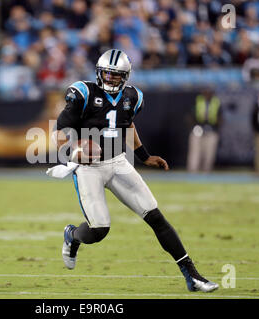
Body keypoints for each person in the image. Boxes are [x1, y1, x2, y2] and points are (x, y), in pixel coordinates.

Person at [53, 49, 219, 292]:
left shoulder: (133, 97)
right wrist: (77, 145)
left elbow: (127, 125)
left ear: (126, 77)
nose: (110, 79)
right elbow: (59, 133)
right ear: (99, 73)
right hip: (88, 168)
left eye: (116, 76)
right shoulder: (84, 93)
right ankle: (72, 235)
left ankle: (192, 276)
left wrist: (144, 156)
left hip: (118, 162)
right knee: (99, 230)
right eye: (107, 74)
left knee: (155, 217)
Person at [187, 89, 221, 173]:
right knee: (195, 152)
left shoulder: (216, 102)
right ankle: (192, 172)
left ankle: (206, 173)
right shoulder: (197, 100)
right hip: (198, 129)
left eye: (209, 91)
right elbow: (190, 115)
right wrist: (193, 126)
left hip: (211, 129)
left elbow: (221, 117)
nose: (207, 93)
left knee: (209, 153)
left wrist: (216, 126)